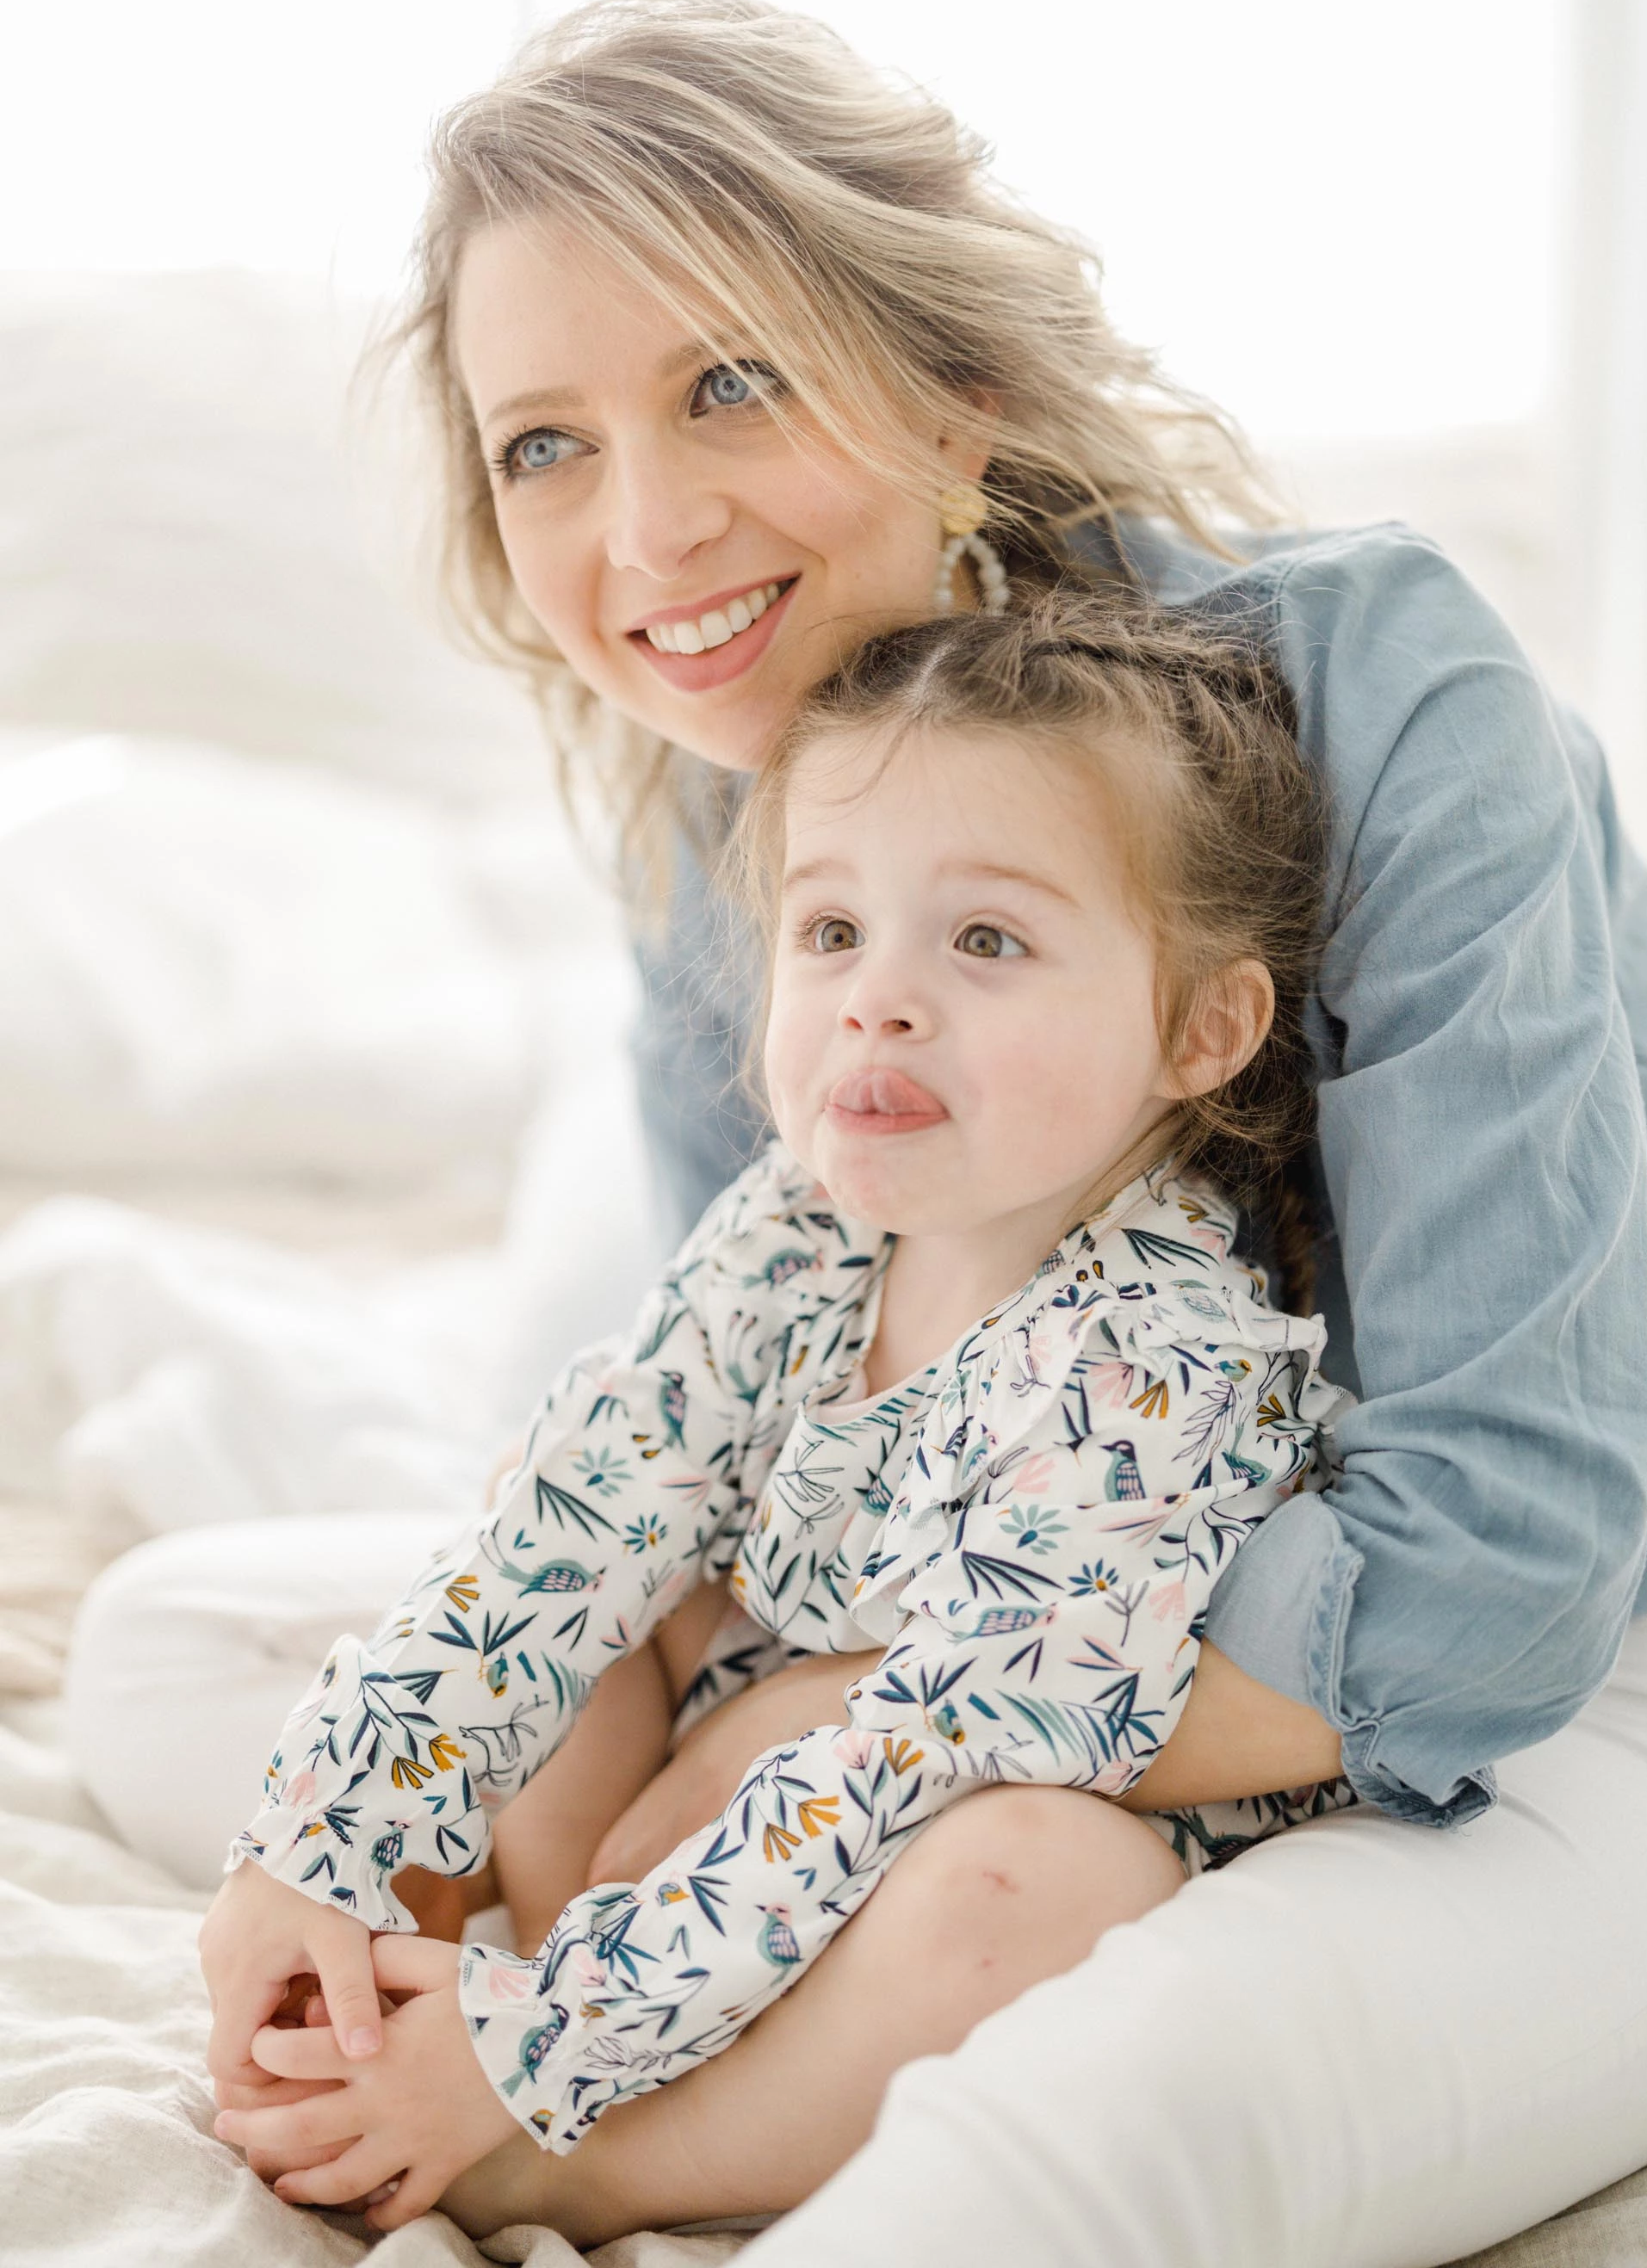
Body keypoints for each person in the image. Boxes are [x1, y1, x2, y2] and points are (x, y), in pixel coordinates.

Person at [65, 0, 1647, 2265]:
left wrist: (751, 1823)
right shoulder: (725, 826)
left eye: (731, 379)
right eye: (542, 446)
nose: (648, 528)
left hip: (1490, 1678)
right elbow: (719, 1458)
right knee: (171, 1663)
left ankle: (574, 2145)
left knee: (1065, 2136)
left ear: (952, 384)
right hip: (960, 1645)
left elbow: (1484, 1599)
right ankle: (640, 2001)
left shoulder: (1383, 693)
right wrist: (380, 1814)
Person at [206, 594, 1351, 2228]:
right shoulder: (803, 1222)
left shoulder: (1153, 1359)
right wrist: (316, 1833)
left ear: (1200, 1028)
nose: (879, 1000)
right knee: (582, 1553)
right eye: (830, 933)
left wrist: (541, 2050)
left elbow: (912, 1764)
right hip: (728, 1795)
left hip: (915, 1836)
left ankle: (589, 2155)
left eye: (987, 940)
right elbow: (579, 1517)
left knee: (1036, 1890)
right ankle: (449, 1951)